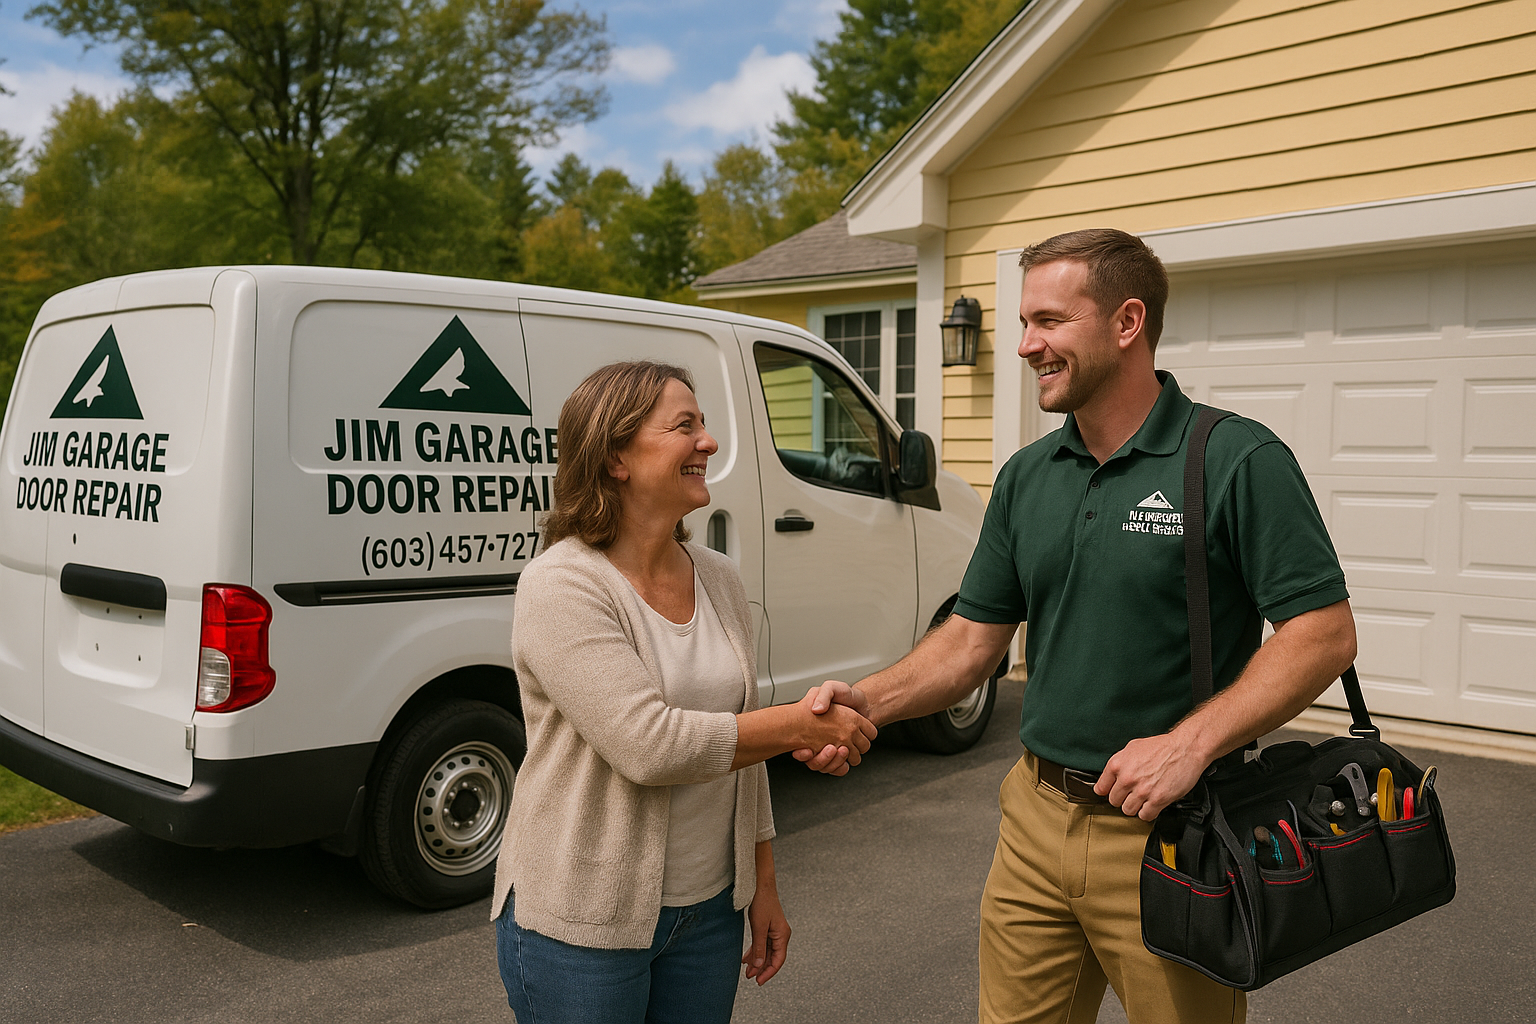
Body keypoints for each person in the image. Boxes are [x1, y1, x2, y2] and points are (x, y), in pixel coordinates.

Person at [799, 229, 1357, 1023]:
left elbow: (1324, 633)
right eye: (1025, 323)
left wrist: (1188, 744)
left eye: (1049, 322)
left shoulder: (1233, 458)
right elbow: (969, 640)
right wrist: (866, 704)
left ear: (1127, 323)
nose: (1026, 345)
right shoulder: (1028, 478)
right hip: (1033, 820)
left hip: (1173, 833)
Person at [491, 360, 878, 1024]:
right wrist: (804, 726)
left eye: (703, 424)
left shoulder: (720, 578)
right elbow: (650, 746)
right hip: (584, 926)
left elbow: (740, 740)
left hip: (710, 916)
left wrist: (761, 886)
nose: (709, 441)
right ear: (616, 457)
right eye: (685, 426)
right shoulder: (561, 584)